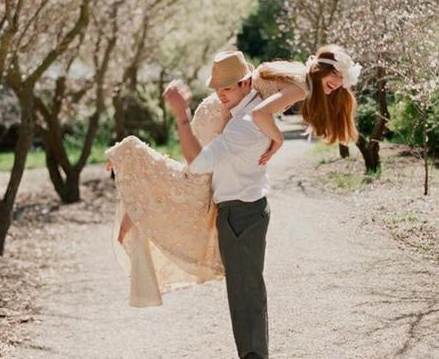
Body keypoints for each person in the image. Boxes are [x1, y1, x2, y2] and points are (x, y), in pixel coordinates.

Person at [105, 45, 361, 355]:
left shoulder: (289, 79)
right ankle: (137, 190)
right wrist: (277, 139)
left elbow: (257, 108)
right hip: (220, 125)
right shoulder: (295, 90)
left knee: (193, 188)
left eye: (338, 85)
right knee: (193, 187)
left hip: (224, 141)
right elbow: (257, 114)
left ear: (244, 81)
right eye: (331, 82)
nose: (333, 89)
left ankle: (139, 200)